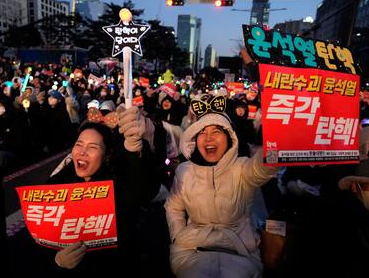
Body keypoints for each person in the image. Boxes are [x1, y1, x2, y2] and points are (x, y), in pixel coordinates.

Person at [18, 106, 161, 275]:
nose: (83, 152)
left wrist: (134, 147)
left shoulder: (118, 186)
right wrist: (57, 261)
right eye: (79, 145)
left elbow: (141, 189)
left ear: (107, 156)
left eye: (92, 147)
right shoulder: (58, 183)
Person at [164, 95, 279, 278]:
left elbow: (261, 169)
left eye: (216, 131)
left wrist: (278, 145)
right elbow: (173, 206)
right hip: (192, 251)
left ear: (229, 137)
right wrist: (178, 234)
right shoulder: (184, 171)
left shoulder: (242, 167)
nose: (208, 138)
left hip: (240, 252)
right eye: (202, 132)